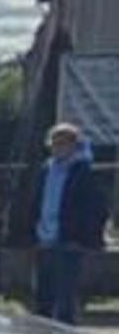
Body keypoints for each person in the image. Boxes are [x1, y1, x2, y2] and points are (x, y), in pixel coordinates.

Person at [31, 123, 106, 323]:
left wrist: (84, 238)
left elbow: (95, 209)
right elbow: (36, 202)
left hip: (69, 242)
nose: (57, 148)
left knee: (65, 298)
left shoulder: (84, 172)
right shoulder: (46, 170)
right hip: (45, 238)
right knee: (42, 294)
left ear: (75, 145)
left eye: (63, 143)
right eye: (54, 143)